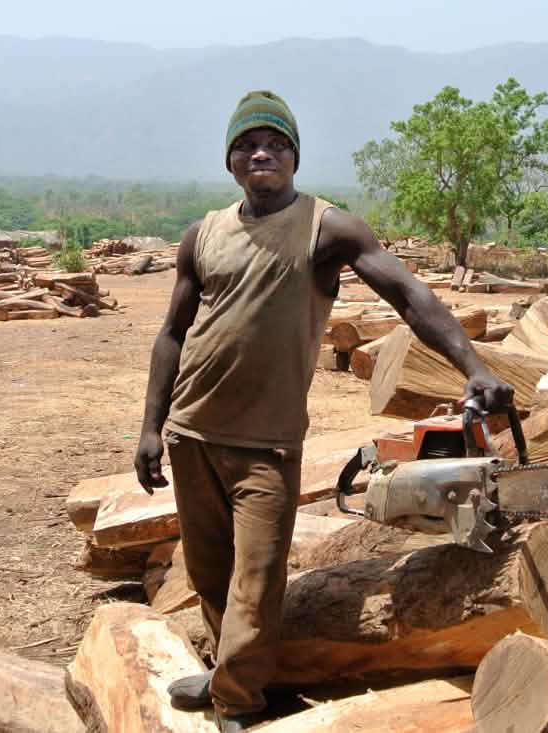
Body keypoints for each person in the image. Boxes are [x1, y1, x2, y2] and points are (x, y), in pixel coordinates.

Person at [133, 90, 514, 732]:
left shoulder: (326, 227)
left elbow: (409, 295)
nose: (263, 153)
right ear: (231, 160)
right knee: (210, 570)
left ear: (295, 158)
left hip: (268, 444)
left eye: (277, 144)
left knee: (257, 580)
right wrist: (150, 426)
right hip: (192, 431)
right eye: (249, 144)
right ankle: (228, 670)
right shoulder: (204, 233)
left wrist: (474, 367)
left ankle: (236, 704)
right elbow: (173, 332)